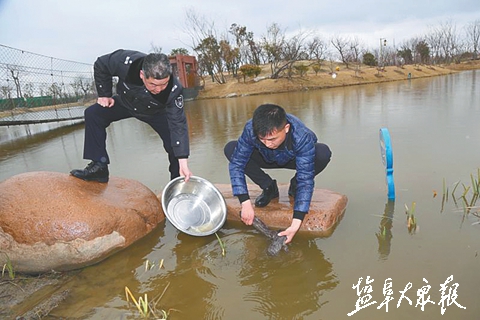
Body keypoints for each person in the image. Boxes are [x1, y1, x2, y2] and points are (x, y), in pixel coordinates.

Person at [70, 49, 192, 183]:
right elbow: (101, 64)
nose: (158, 90)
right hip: (126, 103)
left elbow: (178, 125)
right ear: (142, 74)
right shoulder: (126, 62)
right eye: (153, 84)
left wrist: (183, 161)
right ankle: (99, 167)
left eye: (164, 84)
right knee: (93, 114)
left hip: (156, 112)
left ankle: (176, 182)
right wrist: (104, 94)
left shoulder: (174, 90)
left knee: (174, 146)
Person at [224, 104, 331, 244]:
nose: (268, 144)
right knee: (231, 149)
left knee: (322, 153)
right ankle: (269, 187)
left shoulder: (302, 136)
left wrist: (295, 224)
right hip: (265, 157)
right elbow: (237, 164)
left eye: (272, 139)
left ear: (286, 128)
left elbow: (306, 179)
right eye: (262, 139)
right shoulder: (251, 129)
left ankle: (294, 185)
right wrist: (245, 202)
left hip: (293, 158)